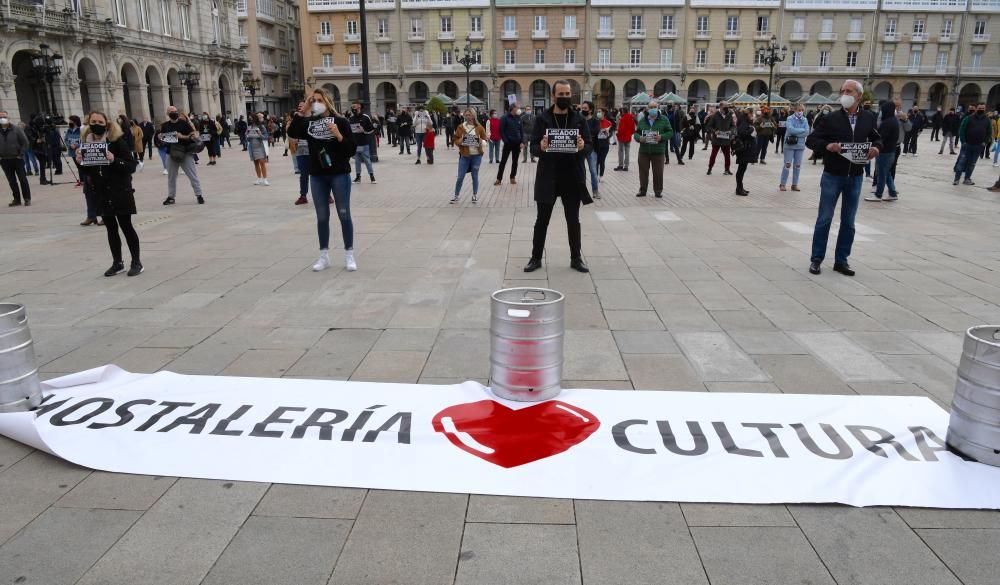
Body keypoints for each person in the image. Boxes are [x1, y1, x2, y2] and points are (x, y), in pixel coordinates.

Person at [805, 79, 882, 277]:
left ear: (858, 95)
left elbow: (877, 138)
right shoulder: (831, 118)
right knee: (825, 218)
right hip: (833, 174)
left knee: (848, 221)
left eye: (849, 91)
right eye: (842, 91)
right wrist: (827, 146)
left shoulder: (868, 118)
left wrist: (876, 148)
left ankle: (842, 260)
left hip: (855, 175)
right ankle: (816, 258)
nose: (844, 94)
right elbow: (812, 139)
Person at [524, 80, 592, 274]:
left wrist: (581, 147)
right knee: (541, 220)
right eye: (561, 94)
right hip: (548, 177)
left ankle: (576, 258)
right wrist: (542, 147)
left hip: (572, 177)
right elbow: (534, 147)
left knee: (573, 220)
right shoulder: (542, 118)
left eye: (567, 94)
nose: (564, 98)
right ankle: (536, 258)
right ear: (553, 96)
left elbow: (589, 146)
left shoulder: (579, 119)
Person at [288, 88, 358, 272]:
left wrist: (338, 135)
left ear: (327, 102)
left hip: (339, 173)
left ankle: (349, 254)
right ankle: (323, 255)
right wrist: (303, 110)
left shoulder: (341, 122)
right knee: (322, 216)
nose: (316, 103)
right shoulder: (309, 123)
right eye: (313, 100)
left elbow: (350, 149)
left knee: (344, 213)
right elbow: (293, 131)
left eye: (319, 100)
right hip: (317, 175)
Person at [75, 111, 142, 277]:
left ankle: (136, 261)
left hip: (120, 190)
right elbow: (87, 171)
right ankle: (117, 262)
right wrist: (80, 162)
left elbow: (131, 165)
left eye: (100, 121)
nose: (96, 124)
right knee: (110, 228)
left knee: (126, 226)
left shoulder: (116, 141)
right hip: (101, 191)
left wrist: (113, 159)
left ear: (107, 123)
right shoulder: (86, 143)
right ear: (88, 123)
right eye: (93, 121)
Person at [156, 106, 204, 205]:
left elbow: (193, 136)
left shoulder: (184, 123)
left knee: (192, 175)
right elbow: (163, 139)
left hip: (185, 152)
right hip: (171, 153)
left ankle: (199, 195)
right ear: (168, 114)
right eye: (171, 112)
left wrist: (182, 136)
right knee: (171, 177)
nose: (174, 113)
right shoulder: (165, 125)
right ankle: (171, 197)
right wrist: (161, 138)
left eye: (175, 111)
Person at [633, 101, 672, 198]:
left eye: (655, 107)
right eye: (651, 107)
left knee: (658, 172)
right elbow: (636, 133)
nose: (653, 109)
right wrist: (639, 138)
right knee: (643, 172)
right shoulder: (643, 120)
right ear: (647, 108)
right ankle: (643, 190)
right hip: (644, 151)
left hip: (658, 151)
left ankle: (658, 191)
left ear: (658, 107)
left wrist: (661, 137)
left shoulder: (664, 119)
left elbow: (670, 132)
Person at [865, 100, 901, 203]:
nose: (881, 112)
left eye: (882, 110)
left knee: (881, 173)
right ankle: (892, 193)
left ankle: (878, 194)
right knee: (887, 173)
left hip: (884, 152)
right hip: (891, 151)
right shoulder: (894, 120)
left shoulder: (887, 122)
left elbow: (880, 137)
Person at [451, 108, 487, 204]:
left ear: (473, 115)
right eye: (466, 115)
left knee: (475, 175)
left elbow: (485, 140)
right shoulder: (460, 127)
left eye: (469, 115)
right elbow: (455, 139)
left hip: (476, 156)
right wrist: (460, 141)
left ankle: (475, 195)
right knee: (460, 176)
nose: (467, 116)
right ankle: (456, 195)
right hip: (465, 155)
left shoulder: (479, 127)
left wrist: (481, 141)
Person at [953, 103, 991, 186]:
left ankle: (967, 179)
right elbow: (962, 129)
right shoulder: (968, 118)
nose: (981, 109)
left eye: (983, 108)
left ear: (985, 109)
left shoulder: (987, 120)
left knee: (972, 163)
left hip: (978, 146)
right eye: (979, 108)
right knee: (962, 162)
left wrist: (985, 142)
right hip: (967, 145)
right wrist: (963, 142)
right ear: (976, 108)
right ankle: (956, 179)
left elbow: (989, 132)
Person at [0, 111, 31, 207]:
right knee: (12, 181)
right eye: (0, 117)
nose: (2, 119)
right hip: (4, 160)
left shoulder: (16, 129)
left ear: (8, 118)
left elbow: (25, 143)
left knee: (22, 179)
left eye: (4, 116)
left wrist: (21, 154)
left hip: (17, 159)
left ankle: (27, 198)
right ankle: (17, 199)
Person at [779, 104, 809, 192]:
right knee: (787, 165)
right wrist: (802, 130)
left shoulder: (805, 120)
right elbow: (790, 129)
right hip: (789, 145)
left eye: (802, 110)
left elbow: (807, 132)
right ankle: (782, 184)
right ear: (795, 110)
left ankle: (794, 184)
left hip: (800, 146)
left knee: (797, 166)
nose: (800, 112)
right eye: (799, 110)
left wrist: (797, 132)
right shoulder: (790, 118)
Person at [348, 100, 376, 184]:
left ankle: (372, 177)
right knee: (357, 161)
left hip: (364, 143)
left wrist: (364, 131)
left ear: (359, 106)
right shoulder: (351, 118)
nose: (353, 108)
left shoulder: (365, 117)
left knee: (367, 160)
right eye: (352, 107)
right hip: (355, 144)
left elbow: (371, 129)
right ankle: (358, 177)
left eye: (354, 106)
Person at [290, 102, 312, 206]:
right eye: (298, 106)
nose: (300, 108)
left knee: (318, 174)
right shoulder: (297, 119)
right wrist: (292, 140)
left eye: (302, 106)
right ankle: (303, 196)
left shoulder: (314, 118)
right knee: (303, 175)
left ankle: (327, 195)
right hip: (301, 151)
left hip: (313, 151)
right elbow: (290, 132)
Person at [495, 105, 522, 186]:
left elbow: (521, 130)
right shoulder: (504, 117)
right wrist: (506, 141)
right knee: (503, 161)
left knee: (515, 161)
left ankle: (512, 177)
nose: (518, 109)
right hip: (508, 143)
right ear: (513, 109)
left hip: (517, 143)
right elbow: (501, 130)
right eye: (517, 108)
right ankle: (499, 179)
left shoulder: (518, 117)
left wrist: (522, 141)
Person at [706, 102, 735, 175]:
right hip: (717, 139)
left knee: (727, 155)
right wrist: (715, 131)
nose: (726, 108)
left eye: (727, 107)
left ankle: (727, 169)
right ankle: (710, 168)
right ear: (721, 107)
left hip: (726, 139)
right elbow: (709, 126)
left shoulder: (729, 115)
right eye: (725, 106)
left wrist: (730, 131)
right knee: (713, 155)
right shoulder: (715, 115)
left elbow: (733, 126)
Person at [580, 101, 601, 198]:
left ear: (590, 110)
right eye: (582, 108)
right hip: (580, 149)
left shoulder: (595, 121)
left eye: (585, 108)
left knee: (593, 171)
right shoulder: (579, 120)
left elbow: (595, 133)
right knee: (580, 171)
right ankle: (582, 191)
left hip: (591, 149)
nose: (583, 110)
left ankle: (595, 191)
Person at [733, 108, 756, 196]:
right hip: (743, 149)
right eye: (752, 114)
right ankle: (739, 189)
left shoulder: (746, 121)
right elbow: (741, 133)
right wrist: (751, 131)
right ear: (749, 114)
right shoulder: (744, 121)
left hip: (745, 148)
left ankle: (740, 187)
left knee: (742, 169)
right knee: (741, 170)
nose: (752, 115)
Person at [245, 112, 270, 185]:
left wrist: (260, 134)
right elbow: (248, 139)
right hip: (252, 147)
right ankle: (259, 178)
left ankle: (265, 179)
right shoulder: (249, 127)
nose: (250, 120)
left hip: (259, 146)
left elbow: (266, 136)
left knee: (262, 162)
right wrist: (246, 135)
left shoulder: (261, 127)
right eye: (249, 119)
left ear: (254, 119)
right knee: (256, 163)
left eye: (251, 118)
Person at [64, 115, 83, 189]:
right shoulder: (69, 130)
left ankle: (83, 181)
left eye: (71, 121)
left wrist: (77, 145)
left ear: (75, 121)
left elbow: (83, 140)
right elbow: (65, 139)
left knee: (81, 166)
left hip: (79, 151)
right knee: (78, 166)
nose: (69, 122)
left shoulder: (80, 130)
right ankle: (81, 181)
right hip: (72, 151)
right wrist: (69, 144)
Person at [595, 107, 615, 176]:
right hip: (596, 144)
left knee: (602, 160)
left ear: (603, 113)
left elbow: (611, 133)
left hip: (605, 145)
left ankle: (601, 175)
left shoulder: (608, 122)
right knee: (596, 161)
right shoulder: (595, 122)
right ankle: (596, 175)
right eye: (597, 112)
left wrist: (608, 134)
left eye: (599, 112)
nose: (598, 113)